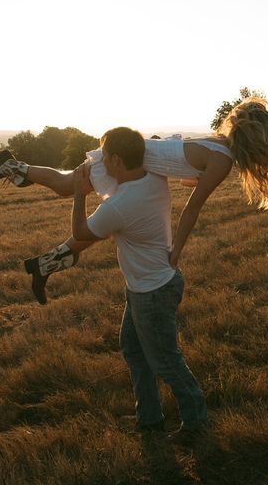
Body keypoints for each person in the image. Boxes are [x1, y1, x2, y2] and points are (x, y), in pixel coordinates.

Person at [0, 97, 268, 299]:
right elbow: (192, 210)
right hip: (125, 159)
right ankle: (10, 166)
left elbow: (182, 168)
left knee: (97, 215)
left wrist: (192, 180)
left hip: (134, 158)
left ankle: (47, 263)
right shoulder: (222, 160)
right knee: (67, 186)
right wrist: (176, 251)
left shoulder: (215, 144)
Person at [69, 126, 208, 444]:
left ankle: (196, 423)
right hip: (148, 285)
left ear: (116, 159)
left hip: (152, 291)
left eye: (105, 159)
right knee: (134, 349)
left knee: (165, 361)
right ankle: (149, 417)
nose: (102, 164)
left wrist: (79, 192)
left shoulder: (119, 206)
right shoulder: (153, 177)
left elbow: (79, 233)